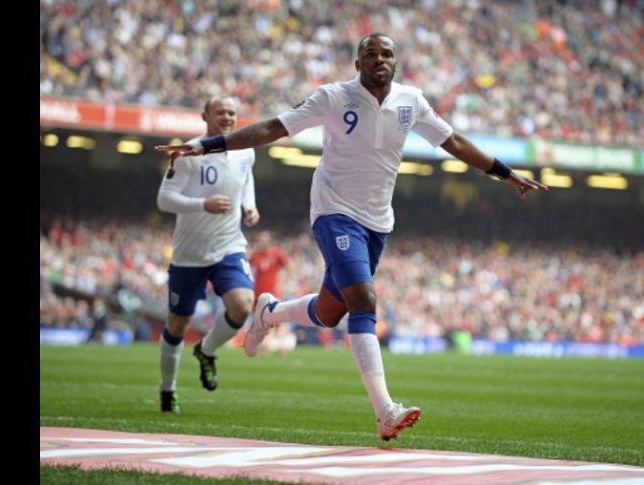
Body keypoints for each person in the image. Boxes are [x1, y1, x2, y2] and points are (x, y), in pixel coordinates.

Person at [156, 33, 548, 437]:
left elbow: (454, 141)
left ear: (396, 62)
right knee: (364, 298)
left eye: (387, 54)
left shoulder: (411, 102)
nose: (379, 59)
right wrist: (207, 145)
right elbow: (275, 127)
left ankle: (268, 313)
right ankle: (385, 411)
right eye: (370, 54)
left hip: (378, 221)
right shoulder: (333, 97)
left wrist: (504, 173)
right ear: (357, 62)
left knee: (331, 312)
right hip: (333, 210)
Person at [156, 95, 260, 413]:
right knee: (177, 323)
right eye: (220, 112)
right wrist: (203, 204)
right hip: (189, 253)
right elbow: (165, 199)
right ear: (205, 117)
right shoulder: (189, 153)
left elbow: (246, 179)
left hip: (228, 245)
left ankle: (207, 349)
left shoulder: (245, 151)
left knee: (243, 305)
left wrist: (249, 205)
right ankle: (167, 389)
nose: (227, 117)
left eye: (231, 112)